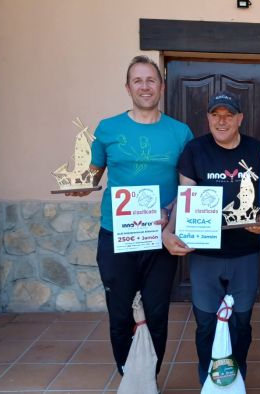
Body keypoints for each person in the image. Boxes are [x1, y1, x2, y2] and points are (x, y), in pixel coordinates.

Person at [67, 55, 194, 377]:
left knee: (156, 313)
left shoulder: (180, 132)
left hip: (160, 237)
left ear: (161, 86)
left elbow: (187, 186)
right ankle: (127, 376)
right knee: (121, 313)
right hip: (116, 235)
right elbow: (93, 175)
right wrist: (82, 185)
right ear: (128, 87)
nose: (145, 86)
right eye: (137, 80)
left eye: (151, 80)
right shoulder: (108, 128)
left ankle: (149, 378)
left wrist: (175, 220)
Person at [162, 90, 260, 384]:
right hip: (204, 254)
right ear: (208, 118)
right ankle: (209, 380)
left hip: (244, 253)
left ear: (239, 119)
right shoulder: (194, 150)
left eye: (228, 115)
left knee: (242, 323)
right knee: (205, 323)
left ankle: (236, 378)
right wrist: (169, 230)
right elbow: (184, 197)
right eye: (216, 115)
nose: (221, 121)